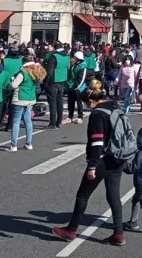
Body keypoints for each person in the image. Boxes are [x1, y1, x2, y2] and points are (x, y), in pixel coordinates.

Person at [53, 80, 127, 246]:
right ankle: (118, 233)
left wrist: (92, 165)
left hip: (103, 159)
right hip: (118, 156)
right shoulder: (115, 107)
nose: (88, 107)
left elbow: (97, 142)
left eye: (87, 104)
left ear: (91, 101)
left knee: (82, 195)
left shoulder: (97, 114)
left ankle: (71, 229)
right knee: (114, 196)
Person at [8, 57, 46, 151]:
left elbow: (13, 85)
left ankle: (14, 145)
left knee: (16, 121)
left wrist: (11, 82)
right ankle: (28, 143)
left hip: (20, 98)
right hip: (30, 99)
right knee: (28, 121)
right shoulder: (35, 73)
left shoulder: (23, 73)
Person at [43, 44, 70, 129]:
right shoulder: (67, 56)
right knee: (59, 102)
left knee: (52, 103)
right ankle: (59, 122)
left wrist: (45, 82)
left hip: (53, 81)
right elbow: (67, 68)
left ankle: (52, 123)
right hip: (62, 80)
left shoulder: (54, 57)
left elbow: (49, 71)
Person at [65, 51, 88, 124]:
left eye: (75, 57)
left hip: (79, 88)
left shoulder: (83, 66)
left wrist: (76, 87)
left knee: (79, 103)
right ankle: (70, 116)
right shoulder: (74, 65)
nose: (73, 59)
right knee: (70, 102)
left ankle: (80, 117)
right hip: (71, 86)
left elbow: (82, 79)